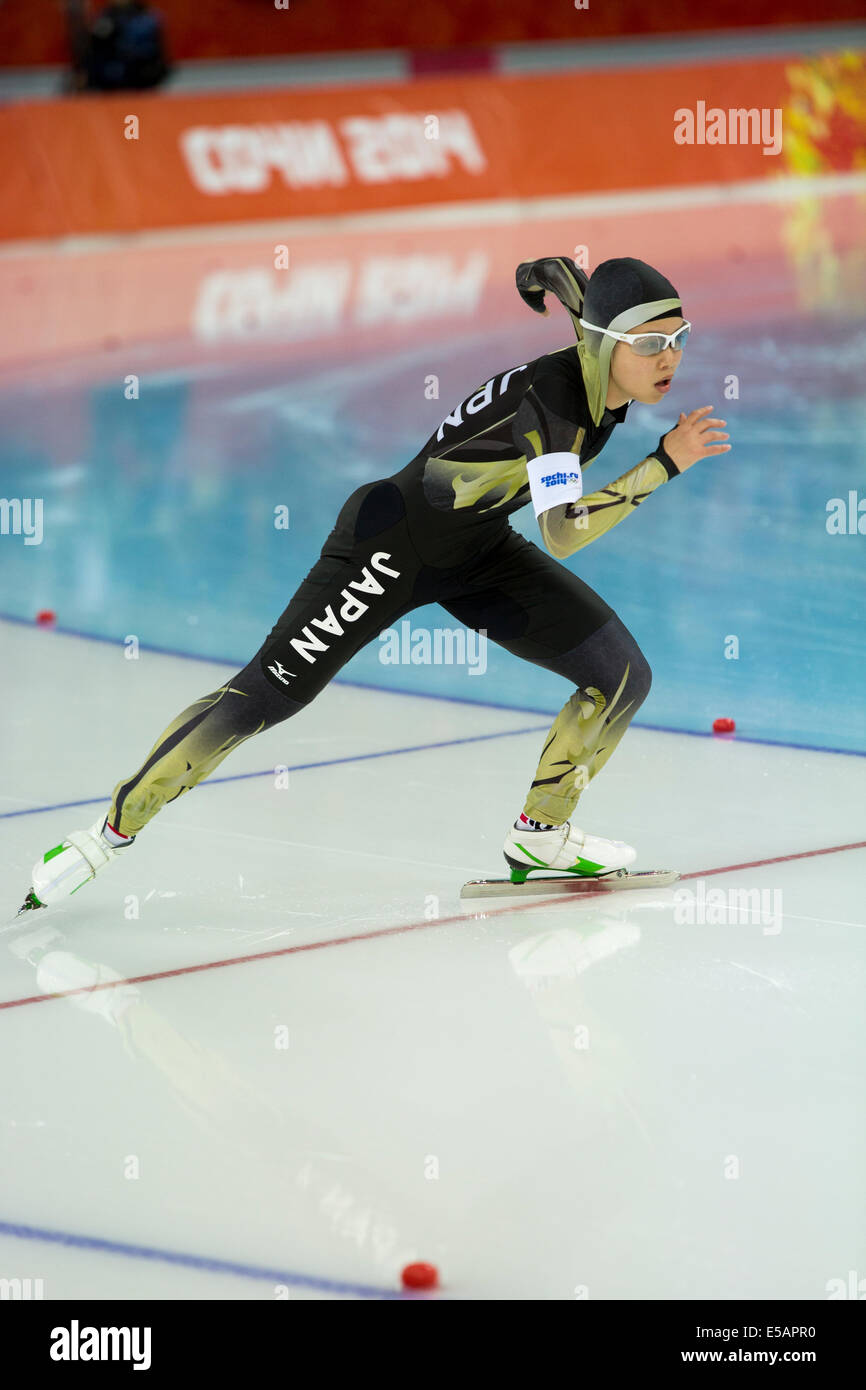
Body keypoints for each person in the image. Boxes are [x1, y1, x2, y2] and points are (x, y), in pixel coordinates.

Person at [18, 255, 730, 915]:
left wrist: (544, 276)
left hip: (477, 547)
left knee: (622, 676)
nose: (668, 359)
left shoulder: (599, 348)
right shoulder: (557, 406)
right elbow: (564, 531)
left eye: (679, 340)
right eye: (649, 345)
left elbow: (581, 297)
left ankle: (540, 836)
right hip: (391, 546)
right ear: (606, 346)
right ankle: (109, 830)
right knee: (267, 693)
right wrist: (663, 463)